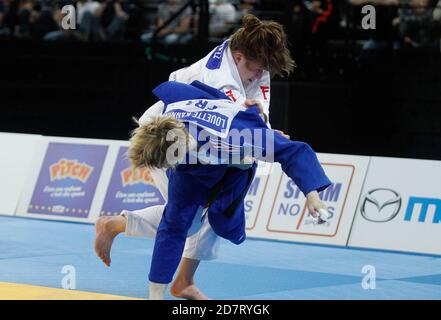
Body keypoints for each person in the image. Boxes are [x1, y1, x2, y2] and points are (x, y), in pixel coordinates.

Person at [95, 14, 296, 300]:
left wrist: (267, 131)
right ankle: (114, 224)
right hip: (168, 138)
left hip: (204, 137)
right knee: (186, 217)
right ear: (239, 57)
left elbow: (255, 113)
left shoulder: (251, 57)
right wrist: (270, 139)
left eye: (264, 70)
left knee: (220, 204)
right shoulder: (221, 80)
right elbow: (232, 129)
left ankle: (183, 281)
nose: (260, 75)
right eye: (257, 69)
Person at [126, 79, 332, 299]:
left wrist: (312, 194)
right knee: (175, 222)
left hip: (234, 158)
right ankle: (155, 294)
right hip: (193, 154)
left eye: (166, 164)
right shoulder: (161, 119)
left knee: (223, 218)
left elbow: (293, 152)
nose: (164, 169)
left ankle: (257, 120)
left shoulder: (238, 135)